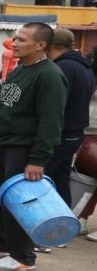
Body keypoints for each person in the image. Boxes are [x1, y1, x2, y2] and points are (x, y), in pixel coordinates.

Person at [0, 22, 67, 271]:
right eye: (15, 38)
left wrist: (37, 159)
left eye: (22, 40)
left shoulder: (50, 75)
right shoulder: (20, 68)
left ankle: (23, 257)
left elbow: (51, 122)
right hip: (5, 143)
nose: (15, 43)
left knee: (19, 202)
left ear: (40, 45)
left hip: (24, 148)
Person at [44, 28, 93, 211]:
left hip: (61, 132)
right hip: (74, 132)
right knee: (60, 179)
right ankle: (63, 221)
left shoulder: (62, 68)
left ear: (49, 45)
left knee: (41, 178)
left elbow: (54, 104)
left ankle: (46, 220)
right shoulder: (83, 66)